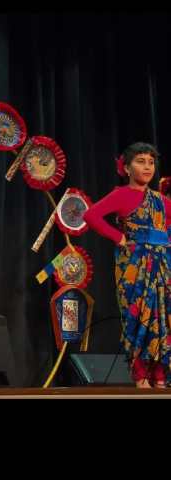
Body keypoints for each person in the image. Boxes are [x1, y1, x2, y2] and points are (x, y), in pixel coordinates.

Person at [83, 142, 171, 388]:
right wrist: (118, 237)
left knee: (163, 319)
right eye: (140, 161)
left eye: (151, 162)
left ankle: (161, 378)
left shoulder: (162, 201)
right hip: (134, 268)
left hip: (163, 267)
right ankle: (141, 378)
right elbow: (90, 215)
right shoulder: (121, 194)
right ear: (127, 167)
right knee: (138, 317)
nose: (147, 167)